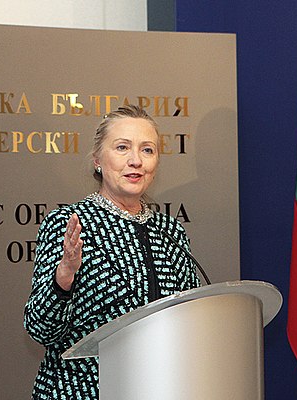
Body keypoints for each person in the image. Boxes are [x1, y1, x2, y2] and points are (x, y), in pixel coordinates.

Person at [24, 104, 200, 399]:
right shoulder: (68, 224)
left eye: (147, 150)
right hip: (82, 391)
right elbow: (41, 330)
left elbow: (190, 322)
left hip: (159, 388)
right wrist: (63, 277)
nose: (136, 161)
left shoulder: (170, 230)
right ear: (97, 160)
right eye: (122, 148)